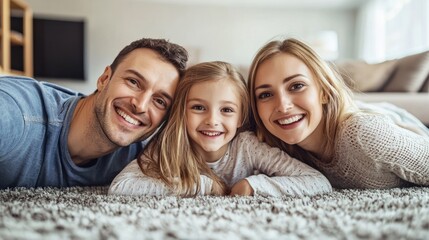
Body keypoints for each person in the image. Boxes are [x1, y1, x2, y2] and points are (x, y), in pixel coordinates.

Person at [108, 61, 332, 197]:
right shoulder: (168, 144)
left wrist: (254, 186)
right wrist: (202, 185)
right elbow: (121, 186)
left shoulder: (248, 147)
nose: (212, 120)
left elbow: (317, 181)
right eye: (198, 107)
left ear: (240, 117)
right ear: (181, 111)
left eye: (226, 110)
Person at [0, 38, 188, 189]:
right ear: (104, 79)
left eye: (160, 101)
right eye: (133, 82)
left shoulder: (140, 156)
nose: (140, 106)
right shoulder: (19, 113)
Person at [247, 37, 429, 189]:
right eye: (266, 94)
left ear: (324, 92)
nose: (282, 106)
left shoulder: (361, 133)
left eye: (297, 86)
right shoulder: (272, 145)